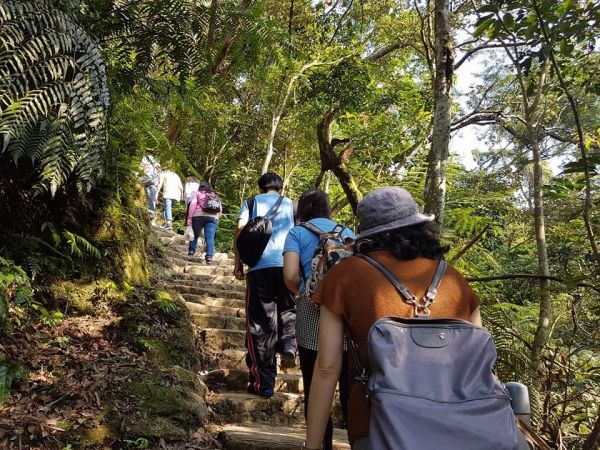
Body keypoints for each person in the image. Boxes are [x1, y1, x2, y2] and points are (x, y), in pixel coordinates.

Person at [304, 187, 482, 450]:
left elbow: (327, 367)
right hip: (459, 423)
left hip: (379, 422)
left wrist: (313, 444)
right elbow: (479, 360)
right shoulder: (454, 280)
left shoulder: (345, 276)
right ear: (420, 227)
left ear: (366, 234)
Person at [282, 190, 354, 450]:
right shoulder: (347, 232)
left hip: (312, 310)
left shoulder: (297, 233)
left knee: (314, 379)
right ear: (328, 208)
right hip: (345, 312)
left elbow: (290, 275)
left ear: (302, 209)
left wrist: (302, 292)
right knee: (349, 384)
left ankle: (319, 443)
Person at [233, 172, 296, 398]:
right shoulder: (293, 205)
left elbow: (241, 230)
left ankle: (264, 383)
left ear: (261, 187)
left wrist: (237, 263)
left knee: (260, 324)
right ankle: (289, 342)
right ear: (280, 187)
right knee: (289, 310)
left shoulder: (252, 202)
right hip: (289, 266)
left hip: (260, 268)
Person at [187, 181, 221, 263]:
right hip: (212, 217)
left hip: (198, 216)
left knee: (195, 235)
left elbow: (192, 205)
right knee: (210, 237)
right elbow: (220, 209)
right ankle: (209, 257)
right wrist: (216, 217)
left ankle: (191, 251)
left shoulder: (197, 193)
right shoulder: (214, 195)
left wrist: (189, 218)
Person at [139, 154, 160, 220]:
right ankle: (152, 211)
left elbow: (141, 167)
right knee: (152, 193)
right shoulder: (156, 160)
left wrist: (135, 174)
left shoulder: (145, 158)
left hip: (148, 178)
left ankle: (151, 212)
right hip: (155, 179)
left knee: (150, 193)